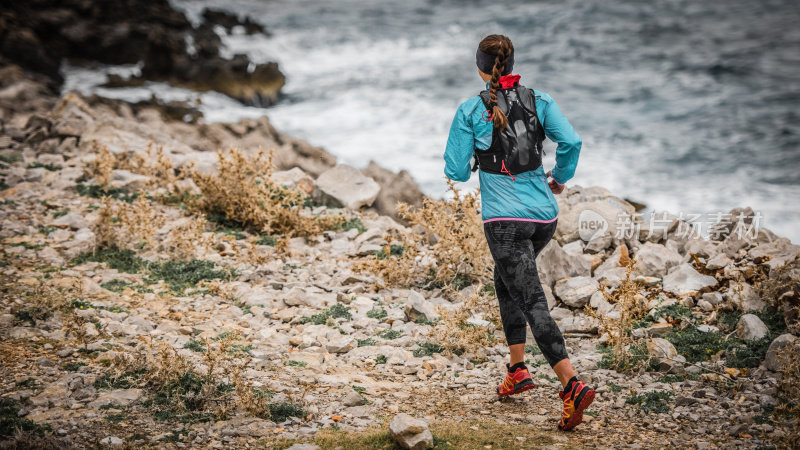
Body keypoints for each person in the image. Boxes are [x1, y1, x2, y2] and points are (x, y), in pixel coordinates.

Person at [443, 34, 594, 431]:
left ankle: (572, 385)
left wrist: (473, 160)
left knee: (530, 298)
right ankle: (517, 370)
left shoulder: (470, 110)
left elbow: (456, 171)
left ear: (480, 67)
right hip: (544, 217)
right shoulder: (539, 100)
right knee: (505, 278)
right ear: (510, 64)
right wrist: (558, 178)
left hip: (504, 223)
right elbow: (572, 141)